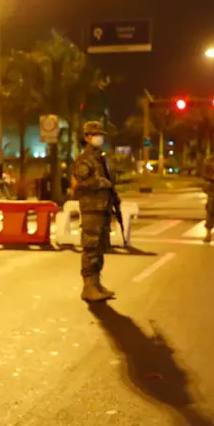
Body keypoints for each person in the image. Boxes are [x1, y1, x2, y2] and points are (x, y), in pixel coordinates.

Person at [71, 121, 116, 303]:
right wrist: (102, 183)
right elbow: (82, 183)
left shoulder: (101, 159)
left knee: (101, 247)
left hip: (103, 208)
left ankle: (96, 283)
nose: (99, 137)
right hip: (91, 209)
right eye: (95, 134)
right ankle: (88, 287)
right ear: (87, 137)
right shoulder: (84, 160)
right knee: (91, 246)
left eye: (100, 134)